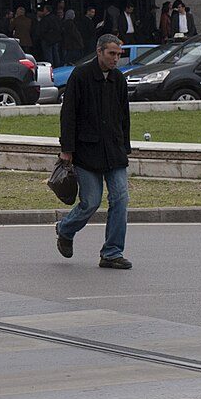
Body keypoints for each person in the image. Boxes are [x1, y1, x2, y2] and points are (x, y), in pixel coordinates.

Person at [56, 34, 133, 270]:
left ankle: (111, 252)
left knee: (120, 199)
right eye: (112, 54)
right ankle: (65, 229)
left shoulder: (119, 79)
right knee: (90, 202)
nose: (116, 59)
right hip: (87, 152)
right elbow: (68, 113)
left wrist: (125, 146)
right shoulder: (80, 75)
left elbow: (124, 116)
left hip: (114, 151)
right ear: (99, 51)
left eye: (119, 55)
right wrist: (67, 149)